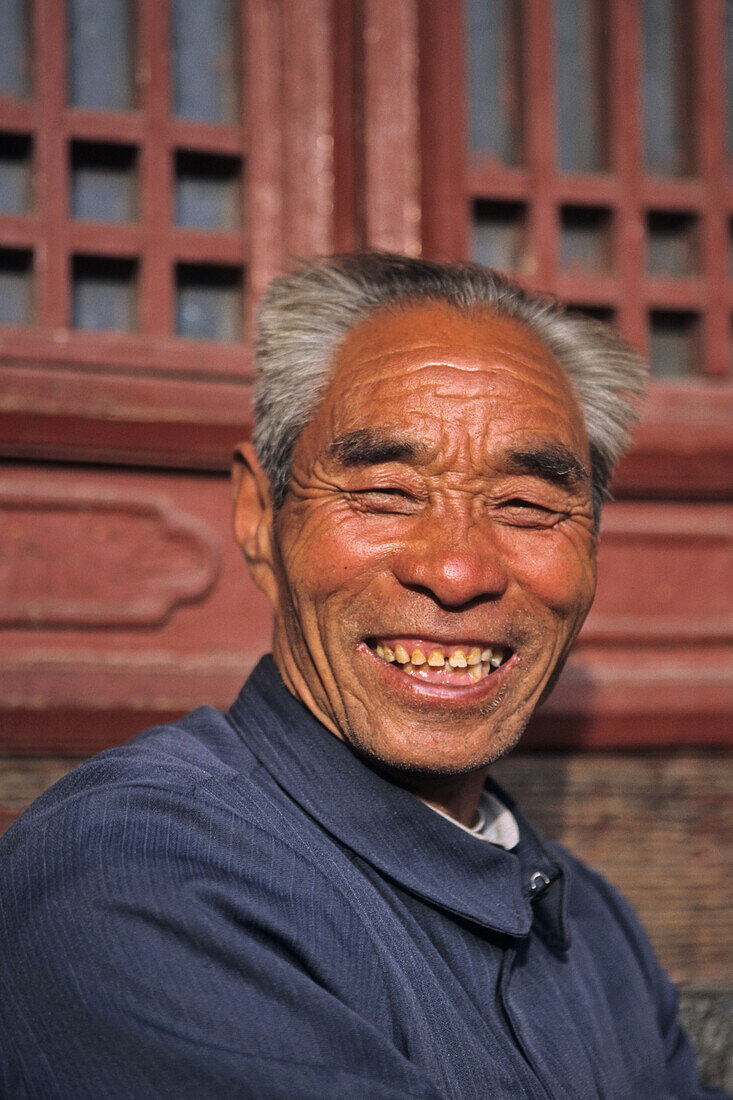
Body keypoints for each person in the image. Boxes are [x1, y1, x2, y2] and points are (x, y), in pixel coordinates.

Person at [0, 254, 725, 1099]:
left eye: (526, 505)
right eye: (385, 492)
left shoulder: (592, 926)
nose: (456, 571)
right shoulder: (135, 874)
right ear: (257, 517)